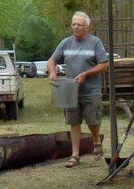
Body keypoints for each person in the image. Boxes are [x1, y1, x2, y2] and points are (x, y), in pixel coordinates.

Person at [46, 11, 109, 167]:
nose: (75, 27)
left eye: (79, 25)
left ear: (87, 27)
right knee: (74, 122)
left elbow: (104, 64)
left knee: (93, 121)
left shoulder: (95, 42)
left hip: (91, 91)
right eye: (73, 24)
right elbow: (51, 60)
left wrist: (86, 74)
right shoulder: (66, 43)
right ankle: (75, 155)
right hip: (71, 91)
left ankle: (95, 140)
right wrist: (53, 72)